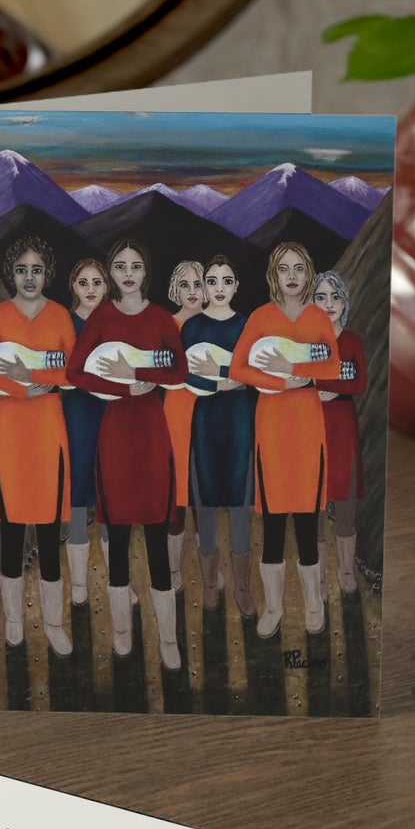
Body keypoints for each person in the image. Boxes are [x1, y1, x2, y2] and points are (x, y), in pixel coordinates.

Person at [66, 238, 187, 669]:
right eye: (120, 266)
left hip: (152, 434)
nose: (128, 273)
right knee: (117, 535)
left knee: (156, 530)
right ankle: (122, 633)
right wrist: (122, 388)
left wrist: (137, 374)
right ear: (113, 273)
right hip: (114, 430)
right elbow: (75, 372)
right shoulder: (101, 316)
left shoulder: (159, 318)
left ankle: (168, 640)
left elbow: (179, 369)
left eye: (136, 265)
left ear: (146, 270)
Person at [0, 235, 74, 656]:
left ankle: (53, 624)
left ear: (48, 273)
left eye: (37, 270)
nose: (30, 278)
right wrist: (15, 388)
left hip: (49, 429)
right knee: (11, 534)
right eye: (22, 270)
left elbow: (74, 371)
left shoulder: (60, 316)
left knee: (48, 534)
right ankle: (13, 621)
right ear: (12, 273)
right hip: (11, 430)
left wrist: (36, 380)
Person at [229, 241, 341, 638]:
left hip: (309, 427)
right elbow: (238, 368)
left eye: (298, 268)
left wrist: (296, 369)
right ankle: (274, 607)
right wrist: (279, 380)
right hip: (273, 427)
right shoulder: (260, 317)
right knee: (274, 521)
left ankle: (313, 605)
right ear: (272, 275)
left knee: (308, 520)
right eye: (283, 269)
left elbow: (332, 363)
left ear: (308, 274)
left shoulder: (317, 317)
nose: (291, 276)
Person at [182, 255, 256, 616]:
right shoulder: (192, 328)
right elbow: (187, 375)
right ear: (205, 286)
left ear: (236, 286)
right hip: (206, 419)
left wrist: (225, 373)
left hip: (240, 420)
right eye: (213, 281)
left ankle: (242, 588)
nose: (220, 288)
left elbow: (256, 371)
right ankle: (210, 584)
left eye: (227, 281)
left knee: (241, 503)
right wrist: (226, 380)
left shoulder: (248, 325)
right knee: (206, 501)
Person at [304, 270, 368, 594]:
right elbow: (307, 381)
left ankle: (345, 571)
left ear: (345, 301)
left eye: (334, 296)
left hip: (344, 426)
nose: (329, 303)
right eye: (321, 297)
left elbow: (359, 383)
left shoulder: (352, 340)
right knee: (315, 505)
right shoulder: (310, 341)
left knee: (345, 505)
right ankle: (318, 577)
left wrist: (332, 387)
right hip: (314, 426)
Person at [62, 258, 109, 605]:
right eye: (83, 283)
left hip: (110, 411)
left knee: (109, 490)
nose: (90, 289)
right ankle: (79, 586)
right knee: (79, 487)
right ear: (73, 287)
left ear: (106, 286)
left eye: (97, 282)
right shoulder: (65, 323)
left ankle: (116, 580)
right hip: (77, 411)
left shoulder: (114, 322)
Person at [163, 260, 205, 593]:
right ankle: (174, 570)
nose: (193, 292)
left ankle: (209, 572)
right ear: (175, 289)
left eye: (198, 284)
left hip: (211, 412)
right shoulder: (167, 324)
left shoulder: (218, 322)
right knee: (177, 494)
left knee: (206, 493)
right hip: (176, 413)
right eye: (185, 285)